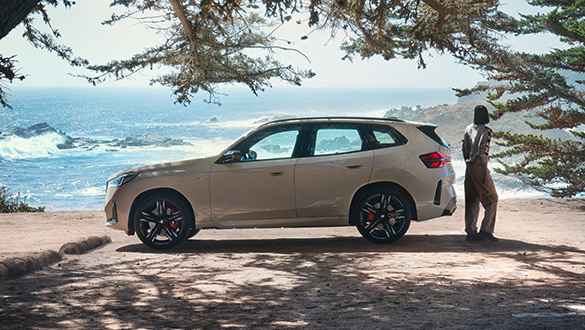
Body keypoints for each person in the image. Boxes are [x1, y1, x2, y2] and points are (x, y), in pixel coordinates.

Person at [462, 105, 499, 242]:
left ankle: (471, 232)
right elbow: (484, 152)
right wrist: (485, 173)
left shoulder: (468, 129)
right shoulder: (486, 131)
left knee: (472, 200)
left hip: (469, 167)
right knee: (492, 199)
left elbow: (464, 148)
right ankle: (486, 231)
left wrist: (467, 162)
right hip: (479, 167)